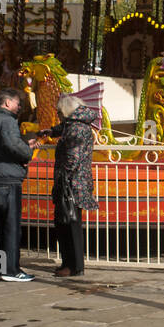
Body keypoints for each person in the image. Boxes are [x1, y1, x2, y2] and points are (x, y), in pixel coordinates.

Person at [0, 88, 36, 282]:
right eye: (18, 103)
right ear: (7, 103)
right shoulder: (7, 121)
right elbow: (12, 145)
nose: (20, 107)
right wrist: (28, 150)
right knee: (11, 226)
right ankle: (11, 270)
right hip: (8, 179)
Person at [47, 95, 99, 277]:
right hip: (73, 181)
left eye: (60, 112)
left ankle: (74, 265)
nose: (59, 115)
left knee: (69, 223)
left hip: (72, 182)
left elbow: (73, 157)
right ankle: (70, 263)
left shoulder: (77, 129)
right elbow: (62, 129)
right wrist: (50, 132)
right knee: (66, 222)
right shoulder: (76, 125)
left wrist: (63, 172)